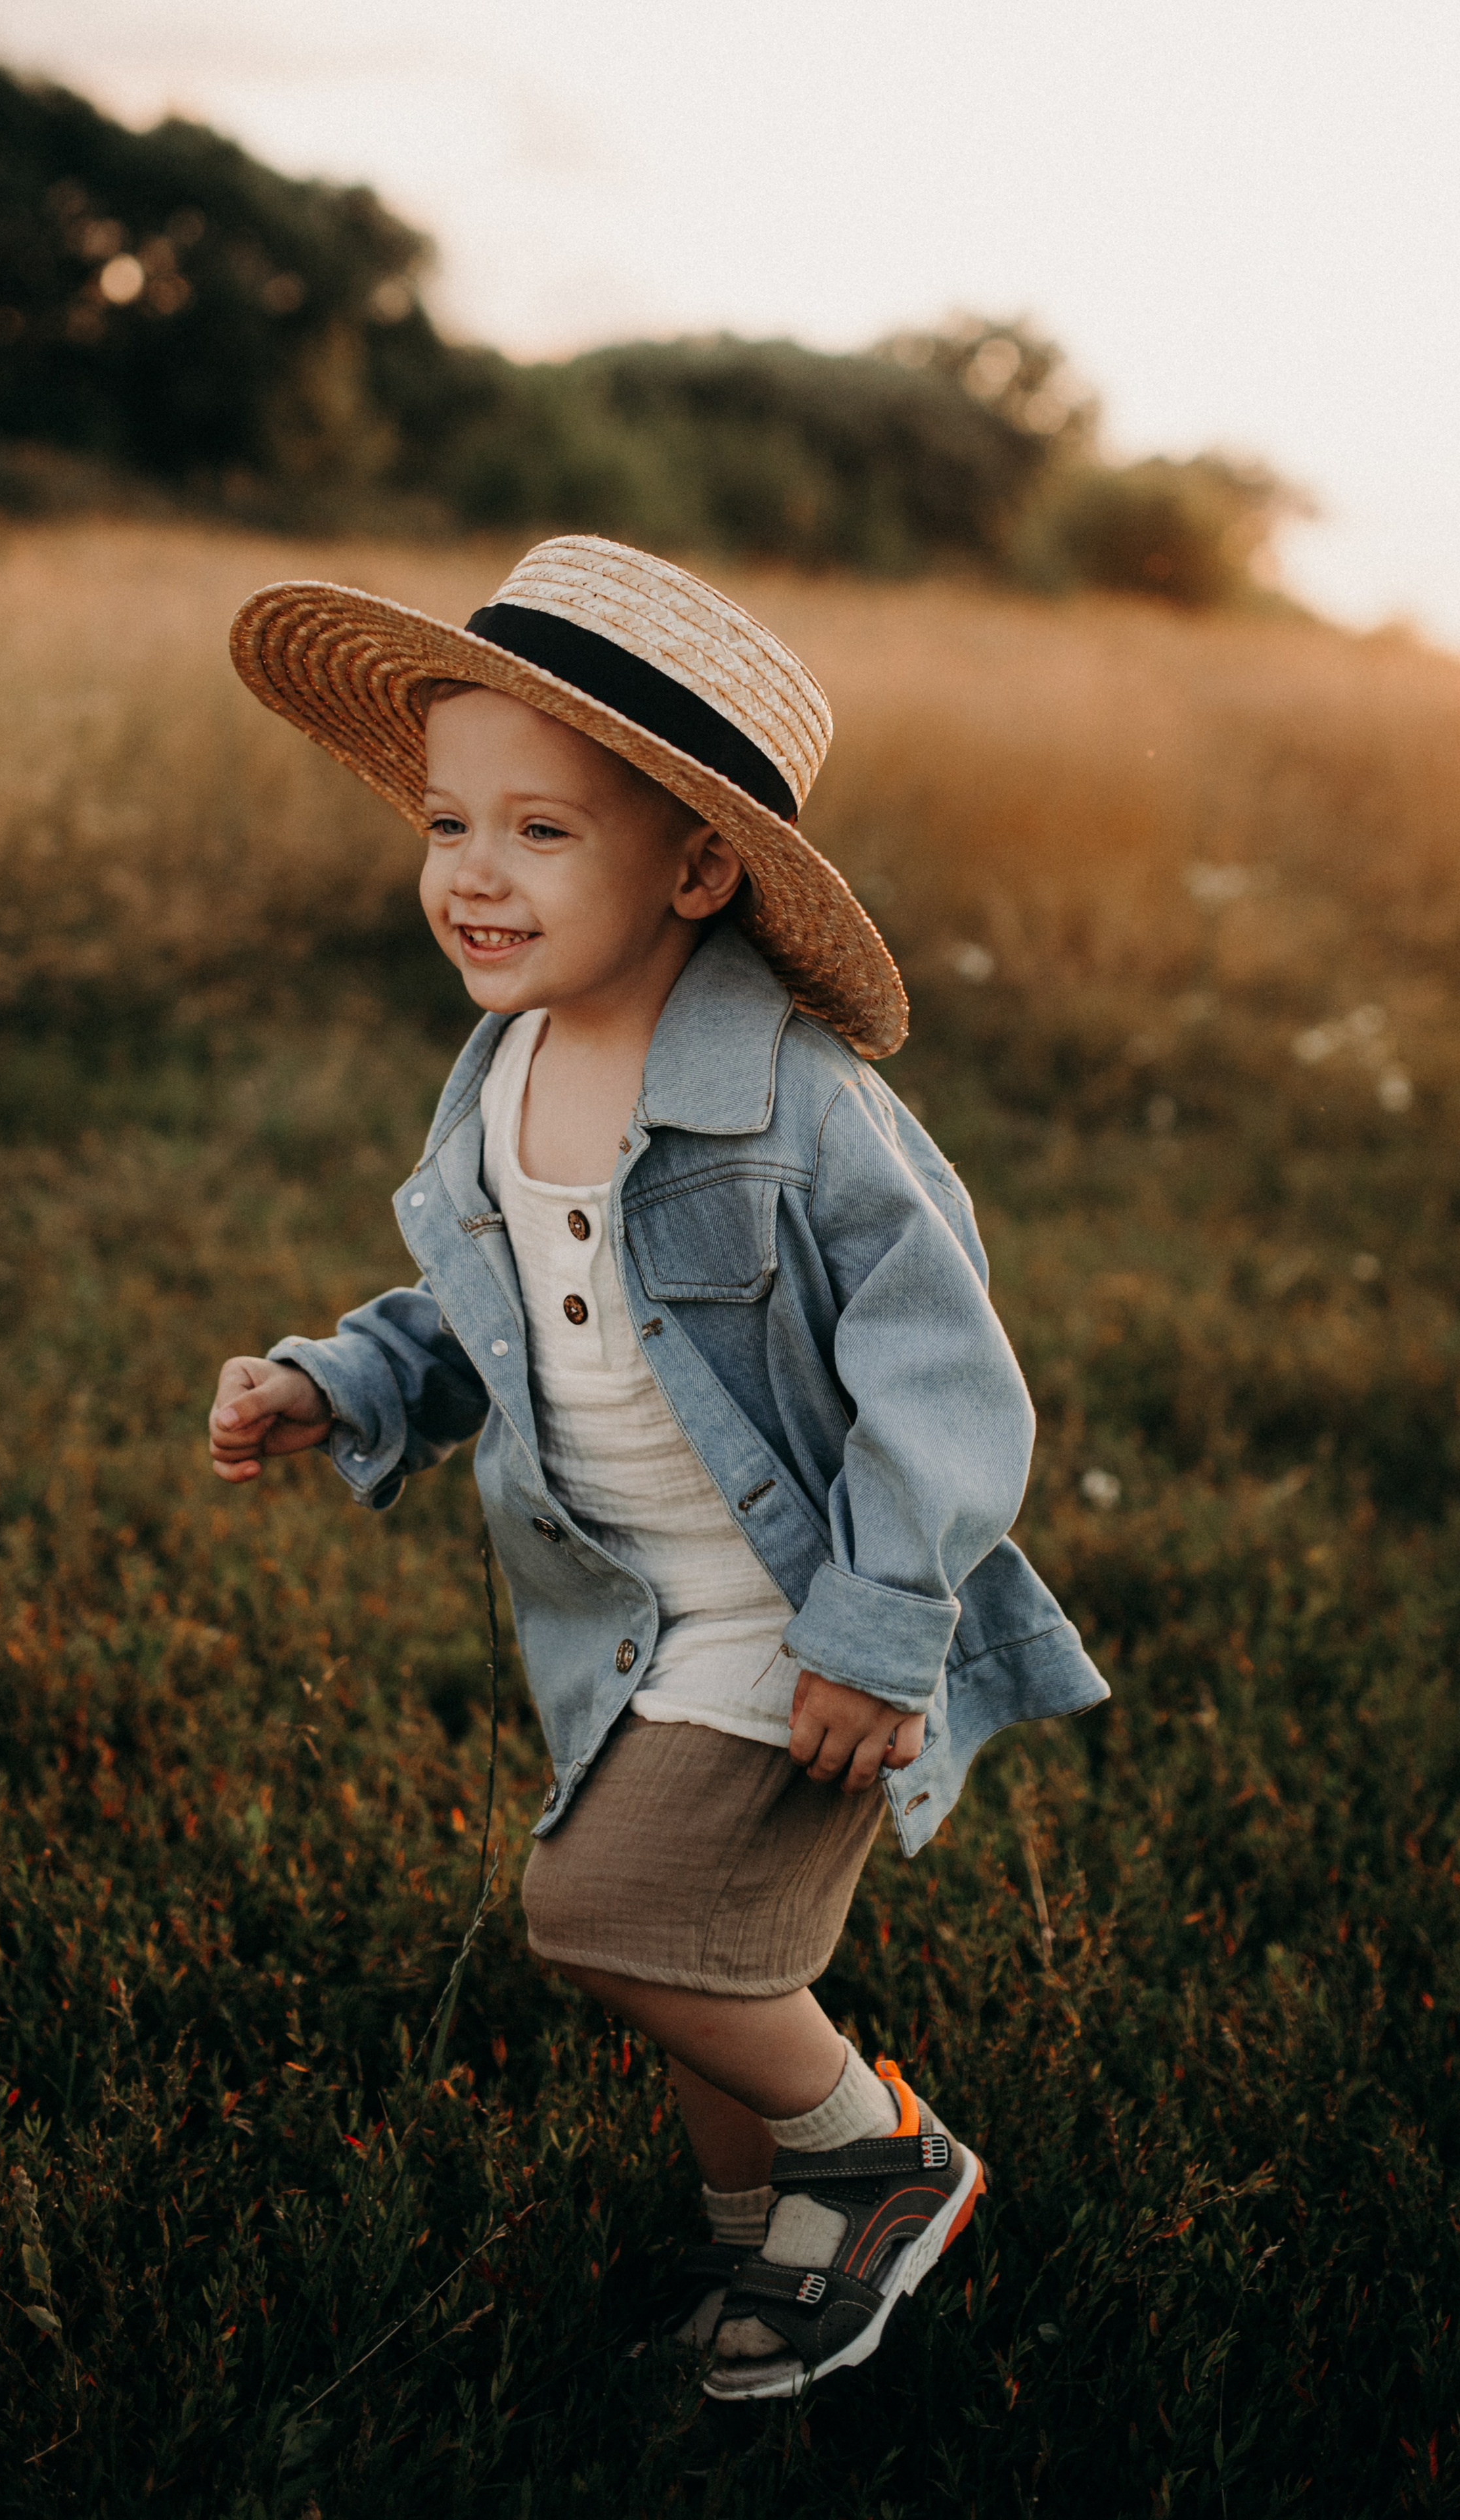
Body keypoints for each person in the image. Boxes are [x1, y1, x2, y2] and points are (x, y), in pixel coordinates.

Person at [208, 536, 1107, 2400]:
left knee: (606, 1916)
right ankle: (758, 2235)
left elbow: (949, 1386)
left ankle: (877, 2160)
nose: (472, 872)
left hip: (798, 1606)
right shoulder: (503, 1071)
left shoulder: (802, 1107)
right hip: (632, 1612)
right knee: (703, 1941)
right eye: (448, 821)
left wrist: (877, 1625)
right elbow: (491, 1309)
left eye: (541, 831)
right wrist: (340, 1379)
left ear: (697, 868)